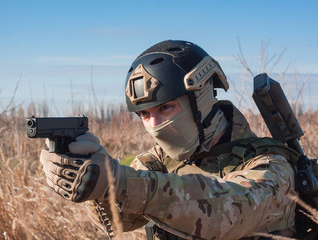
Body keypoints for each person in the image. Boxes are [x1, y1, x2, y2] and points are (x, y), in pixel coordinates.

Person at [40, 40, 299, 240]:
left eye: (166, 108)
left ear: (202, 100)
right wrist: (93, 182)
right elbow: (121, 221)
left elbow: (229, 210)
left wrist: (120, 181)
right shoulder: (158, 162)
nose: (154, 125)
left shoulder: (270, 164)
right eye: (144, 114)